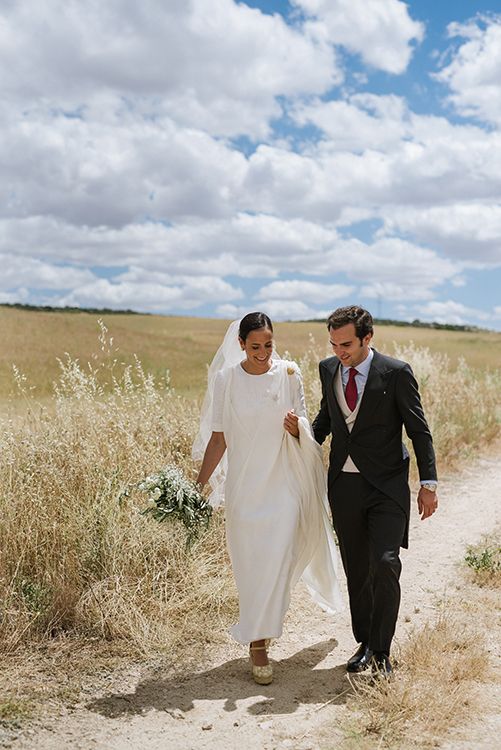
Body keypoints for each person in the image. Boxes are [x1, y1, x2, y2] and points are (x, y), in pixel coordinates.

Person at [193, 312, 343, 685]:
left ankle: (259, 642)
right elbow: (218, 438)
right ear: (241, 344)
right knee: (251, 566)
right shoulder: (227, 379)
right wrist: (198, 485)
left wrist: (297, 429)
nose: (263, 353)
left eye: (268, 345)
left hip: (283, 484)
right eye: (255, 346)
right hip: (244, 489)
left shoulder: (289, 373)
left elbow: (308, 428)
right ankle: (258, 630)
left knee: (279, 558)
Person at [312, 305, 438, 677]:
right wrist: (299, 437)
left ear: (368, 338)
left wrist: (428, 483)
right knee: (357, 569)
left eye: (346, 344)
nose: (339, 352)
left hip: (386, 486)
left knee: (385, 563)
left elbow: (419, 430)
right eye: (334, 344)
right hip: (344, 487)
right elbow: (326, 420)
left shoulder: (396, 373)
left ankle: (382, 652)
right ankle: (365, 642)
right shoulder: (327, 370)